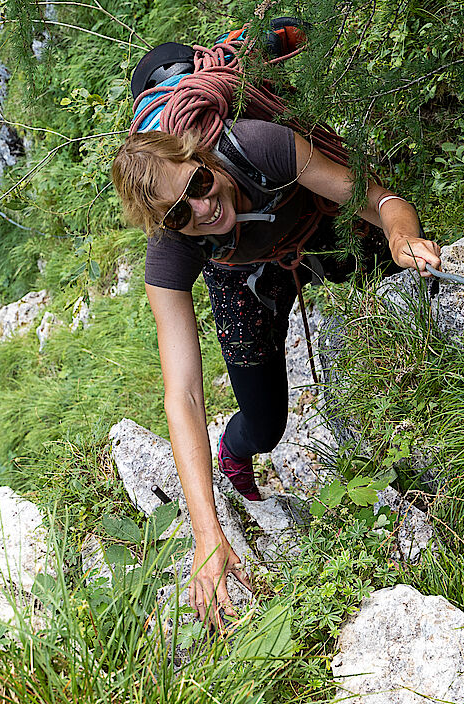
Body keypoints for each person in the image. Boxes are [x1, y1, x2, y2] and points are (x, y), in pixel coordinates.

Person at [110, 118, 441, 629]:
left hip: (315, 227)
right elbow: (185, 396)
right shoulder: (171, 251)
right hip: (243, 280)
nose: (203, 208)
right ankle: (235, 450)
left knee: (427, 274)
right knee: (265, 425)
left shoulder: (258, 147)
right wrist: (206, 535)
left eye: (198, 184)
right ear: (165, 226)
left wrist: (402, 238)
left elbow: (379, 200)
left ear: (200, 155)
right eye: (180, 212)